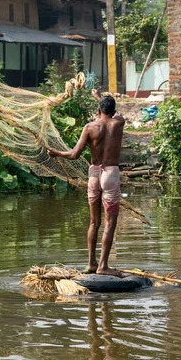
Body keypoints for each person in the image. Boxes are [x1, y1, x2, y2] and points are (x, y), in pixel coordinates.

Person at [47, 90, 125, 277]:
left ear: (98, 111)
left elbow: (74, 155)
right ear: (112, 111)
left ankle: (91, 263)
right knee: (110, 222)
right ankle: (103, 266)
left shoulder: (90, 127)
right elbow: (114, 113)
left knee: (93, 221)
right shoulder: (119, 122)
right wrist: (100, 99)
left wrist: (57, 153)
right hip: (110, 174)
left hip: (93, 174)